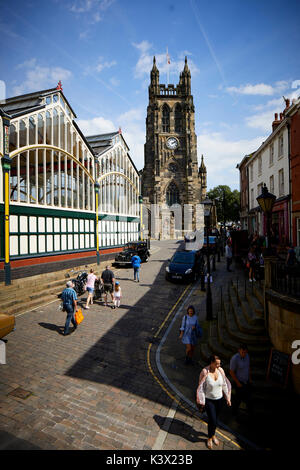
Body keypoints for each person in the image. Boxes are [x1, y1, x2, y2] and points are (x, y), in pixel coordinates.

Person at [196, 355, 231, 449]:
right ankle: (209, 438)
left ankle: (213, 435)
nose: (219, 366)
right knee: (213, 420)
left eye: (219, 364)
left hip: (220, 400)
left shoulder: (221, 370)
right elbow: (201, 388)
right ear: (211, 363)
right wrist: (202, 401)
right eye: (217, 364)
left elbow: (224, 385)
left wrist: (227, 398)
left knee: (215, 420)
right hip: (209, 401)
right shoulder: (204, 372)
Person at [229, 344, 253, 416]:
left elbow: (248, 368)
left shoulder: (247, 356)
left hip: (247, 381)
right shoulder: (235, 358)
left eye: (245, 352)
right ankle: (234, 413)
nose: (244, 354)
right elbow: (231, 372)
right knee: (237, 400)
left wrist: (250, 378)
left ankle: (250, 414)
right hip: (239, 382)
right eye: (243, 352)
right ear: (239, 350)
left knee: (249, 399)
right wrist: (238, 383)